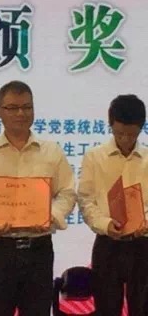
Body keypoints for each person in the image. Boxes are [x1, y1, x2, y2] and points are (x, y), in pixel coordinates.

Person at [0, 80, 76, 316]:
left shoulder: (52, 151)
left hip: (38, 250)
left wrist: (50, 216)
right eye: (12, 108)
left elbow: (67, 193)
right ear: (0, 112)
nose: (21, 113)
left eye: (27, 107)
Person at [78, 94, 148, 316]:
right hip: (108, 244)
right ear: (110, 125)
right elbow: (86, 200)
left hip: (143, 245)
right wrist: (105, 224)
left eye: (131, 134)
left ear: (141, 127)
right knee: (106, 308)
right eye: (119, 133)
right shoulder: (95, 157)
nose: (125, 139)